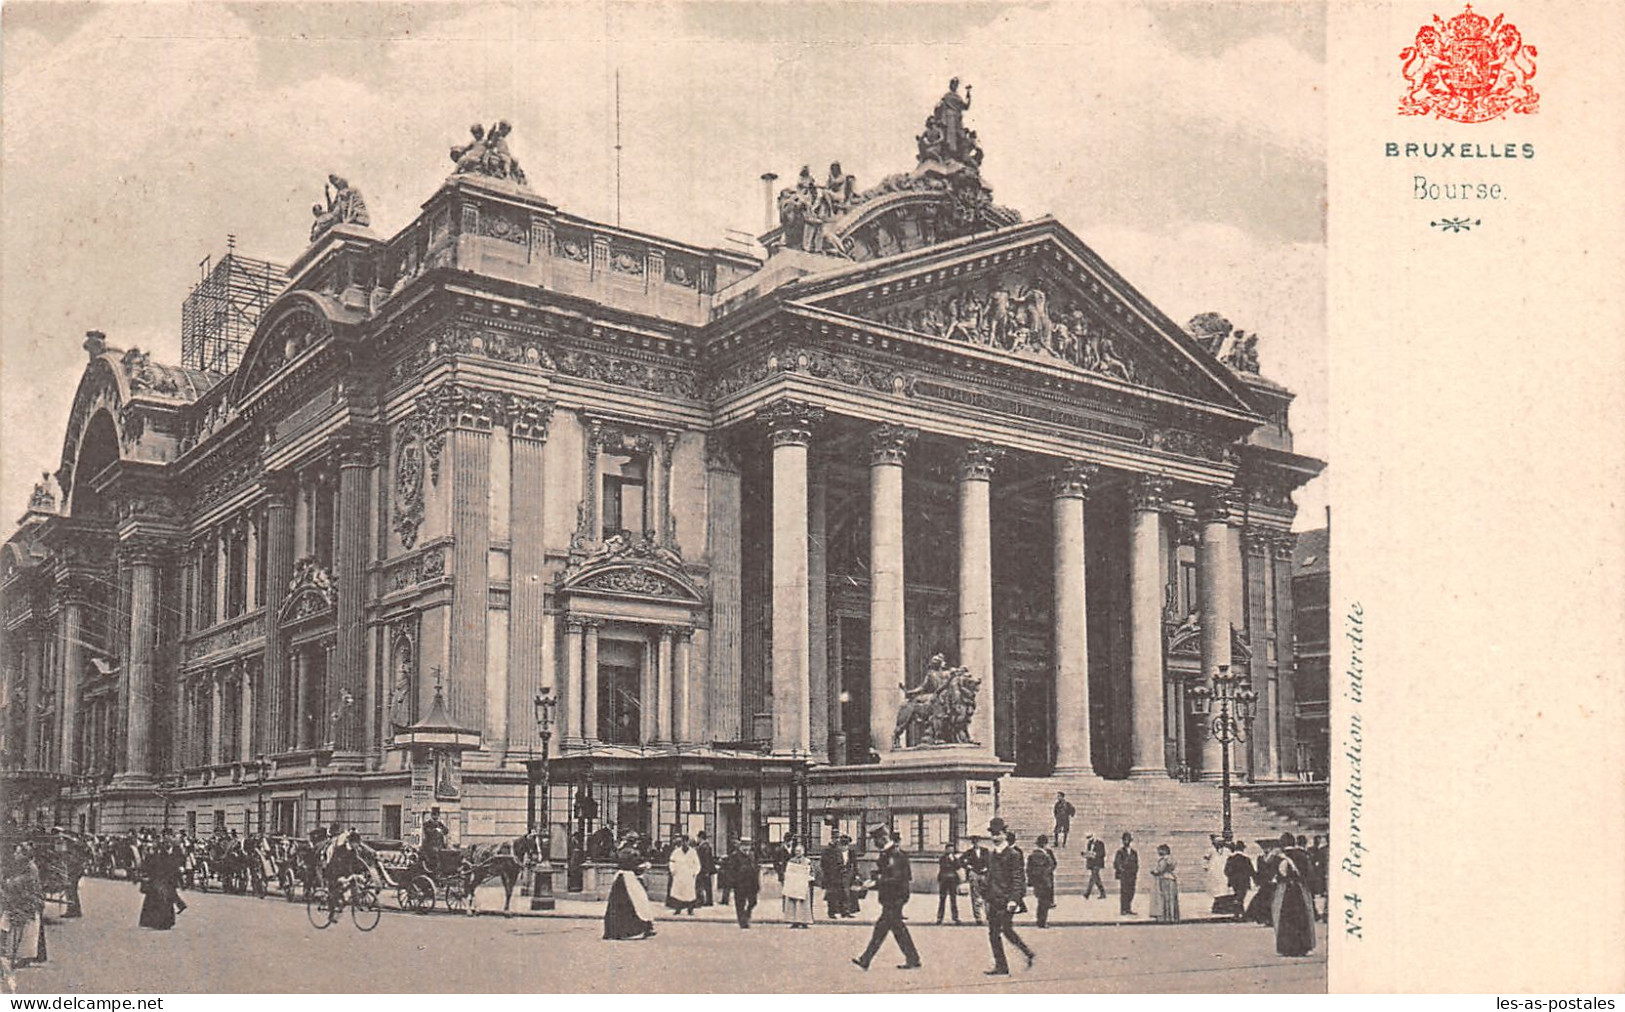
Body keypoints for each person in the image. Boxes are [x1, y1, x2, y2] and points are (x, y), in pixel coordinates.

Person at [852, 828, 920, 971]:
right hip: (892, 896)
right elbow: (886, 872)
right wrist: (873, 878)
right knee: (896, 928)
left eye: (876, 840)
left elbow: (895, 877)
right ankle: (913, 959)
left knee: (882, 928)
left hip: (896, 896)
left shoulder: (894, 854)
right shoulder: (888, 853)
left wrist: (875, 883)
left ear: (883, 838)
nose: (875, 843)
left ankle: (866, 959)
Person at [982, 819, 1033, 975]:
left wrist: (1013, 899)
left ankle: (1025, 953)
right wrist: (985, 896)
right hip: (993, 899)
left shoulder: (1013, 854)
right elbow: (989, 877)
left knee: (1003, 929)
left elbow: (1018, 878)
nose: (995, 838)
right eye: (992, 834)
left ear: (1004, 834)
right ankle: (1003, 965)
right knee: (996, 933)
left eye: (998, 834)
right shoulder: (991, 854)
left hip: (1006, 900)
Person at [3, 844, 46, 969]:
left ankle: (24, 957)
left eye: (18, 853)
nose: (15, 855)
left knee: (28, 931)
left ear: (25, 855)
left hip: (30, 901)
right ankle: (15, 954)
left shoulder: (31, 867)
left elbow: (26, 881)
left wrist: (12, 882)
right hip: (23, 899)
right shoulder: (23, 865)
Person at [1272, 840, 1318, 957]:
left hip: (1286, 890)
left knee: (1286, 918)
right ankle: (1303, 946)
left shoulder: (1280, 857)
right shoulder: (1303, 856)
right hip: (1300, 890)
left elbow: (1278, 874)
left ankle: (1287, 947)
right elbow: (1309, 873)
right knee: (1302, 917)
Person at [603, 848, 656, 940]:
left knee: (638, 902)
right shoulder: (627, 853)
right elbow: (629, 866)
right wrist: (642, 867)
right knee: (633, 903)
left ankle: (644, 927)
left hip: (628, 879)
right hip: (628, 879)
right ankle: (631, 930)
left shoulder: (625, 851)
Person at [137, 836, 182, 930]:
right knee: (161, 901)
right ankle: (161, 922)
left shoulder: (165, 854)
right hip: (159, 880)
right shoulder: (159, 855)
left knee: (162, 901)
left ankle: (162, 922)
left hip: (163, 880)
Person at [721, 838, 758, 928]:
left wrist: (757, 884)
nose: (746, 848)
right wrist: (733, 883)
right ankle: (743, 922)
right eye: (744, 846)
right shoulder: (735, 856)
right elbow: (731, 870)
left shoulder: (752, 855)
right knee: (740, 904)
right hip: (740, 884)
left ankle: (747, 913)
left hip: (751, 884)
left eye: (748, 846)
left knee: (753, 902)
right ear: (741, 846)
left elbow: (755, 868)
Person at [781, 837, 814, 928]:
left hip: (803, 885)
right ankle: (794, 921)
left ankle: (804, 921)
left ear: (803, 851)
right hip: (794, 885)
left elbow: (812, 872)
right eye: (796, 851)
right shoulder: (791, 861)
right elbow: (788, 872)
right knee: (793, 903)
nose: (798, 853)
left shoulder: (807, 861)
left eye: (800, 851)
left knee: (804, 903)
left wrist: (809, 877)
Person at [1026, 835, 1057, 928]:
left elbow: (1029, 869)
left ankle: (1040, 921)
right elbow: (1050, 866)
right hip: (1045, 882)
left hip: (1038, 882)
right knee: (1044, 903)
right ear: (1044, 844)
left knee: (1041, 902)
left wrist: (1031, 881)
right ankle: (1042, 922)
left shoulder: (1032, 855)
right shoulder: (1045, 855)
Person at [665, 835, 701, 915]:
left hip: (689, 876)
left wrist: (695, 872)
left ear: (688, 842)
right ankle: (678, 909)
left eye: (686, 841)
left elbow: (697, 864)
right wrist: (673, 871)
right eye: (683, 842)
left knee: (690, 893)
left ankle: (690, 910)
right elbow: (672, 862)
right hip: (679, 875)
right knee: (678, 893)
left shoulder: (693, 852)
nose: (684, 843)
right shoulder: (676, 852)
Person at [961, 835, 990, 924]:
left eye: (977, 841)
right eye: (974, 842)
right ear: (972, 843)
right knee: (975, 895)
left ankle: (989, 916)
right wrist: (968, 866)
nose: (976, 843)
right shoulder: (969, 852)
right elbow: (961, 860)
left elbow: (991, 861)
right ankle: (978, 917)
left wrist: (987, 868)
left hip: (984, 874)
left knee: (987, 896)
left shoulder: (985, 851)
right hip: (974, 874)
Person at [1224, 841, 1256, 920]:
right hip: (1244, 881)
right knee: (1241, 896)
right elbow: (1251, 871)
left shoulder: (1231, 858)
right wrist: (1256, 879)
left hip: (1234, 881)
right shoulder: (1246, 859)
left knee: (1237, 896)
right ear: (1243, 849)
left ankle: (1239, 913)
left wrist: (1231, 877)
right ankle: (1239, 913)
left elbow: (1226, 871)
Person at [1149, 844, 1180, 923]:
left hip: (1165, 879)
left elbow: (1160, 870)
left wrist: (1153, 872)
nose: (1158, 852)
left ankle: (1166, 917)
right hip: (1172, 879)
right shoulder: (1172, 859)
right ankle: (1173, 917)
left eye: (1160, 850)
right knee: (1172, 898)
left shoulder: (1164, 860)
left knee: (1165, 899)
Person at [821, 836, 849, 920]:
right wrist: (828, 873)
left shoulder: (838, 850)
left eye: (837, 838)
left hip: (838, 876)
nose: (836, 840)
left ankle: (843, 911)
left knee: (841, 895)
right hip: (830, 877)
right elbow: (823, 864)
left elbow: (841, 861)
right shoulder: (827, 851)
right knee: (831, 896)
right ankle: (831, 912)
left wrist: (842, 868)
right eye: (834, 839)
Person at [1113, 832, 1140, 916]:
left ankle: (1128, 908)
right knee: (1124, 892)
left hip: (1132, 875)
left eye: (1128, 840)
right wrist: (1122, 871)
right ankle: (1123, 909)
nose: (1126, 842)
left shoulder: (1134, 852)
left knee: (1131, 891)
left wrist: (1134, 871)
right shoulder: (1120, 852)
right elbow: (1116, 863)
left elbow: (1136, 863)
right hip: (1124, 875)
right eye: (1125, 840)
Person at [935, 841, 962, 924]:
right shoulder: (942, 858)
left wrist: (954, 860)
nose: (950, 850)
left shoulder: (955, 858)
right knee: (942, 899)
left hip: (953, 880)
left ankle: (955, 917)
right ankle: (940, 918)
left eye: (952, 848)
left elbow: (958, 866)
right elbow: (944, 866)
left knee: (953, 899)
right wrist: (952, 863)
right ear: (946, 849)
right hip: (944, 880)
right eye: (949, 848)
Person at [1206, 835, 1232, 914]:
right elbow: (1205, 860)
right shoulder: (1210, 850)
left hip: (1224, 872)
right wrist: (1207, 867)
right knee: (1216, 890)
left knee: (1224, 889)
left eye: (1220, 843)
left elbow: (1230, 859)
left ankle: (1223, 907)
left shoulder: (1227, 851)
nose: (1218, 844)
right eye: (1217, 843)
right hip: (1214, 872)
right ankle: (1217, 907)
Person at [1082, 833, 1107, 899]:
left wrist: (1095, 854)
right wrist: (1086, 854)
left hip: (1098, 863)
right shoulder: (1089, 844)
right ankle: (1103, 893)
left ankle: (1087, 893)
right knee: (1096, 879)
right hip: (1092, 863)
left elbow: (1103, 853)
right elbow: (1089, 852)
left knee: (1093, 878)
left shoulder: (1100, 843)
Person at [695, 831, 716, 907]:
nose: (697, 839)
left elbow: (706, 859)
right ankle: (708, 901)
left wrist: (706, 871)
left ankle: (703, 901)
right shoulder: (705, 846)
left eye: (698, 837)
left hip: (703, 869)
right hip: (705, 869)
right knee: (707, 886)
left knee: (702, 885)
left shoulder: (704, 846)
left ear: (701, 838)